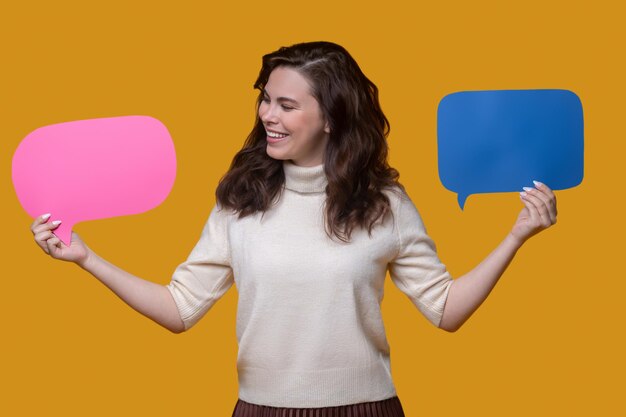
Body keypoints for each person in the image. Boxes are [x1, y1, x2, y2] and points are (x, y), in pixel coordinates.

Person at [30, 41, 558, 416]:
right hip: (261, 409)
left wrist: (516, 236)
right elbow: (179, 309)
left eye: (286, 104)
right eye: (265, 99)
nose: (268, 115)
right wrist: (87, 259)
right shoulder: (241, 200)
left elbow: (445, 310)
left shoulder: (383, 204)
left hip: (366, 409)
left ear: (330, 117)